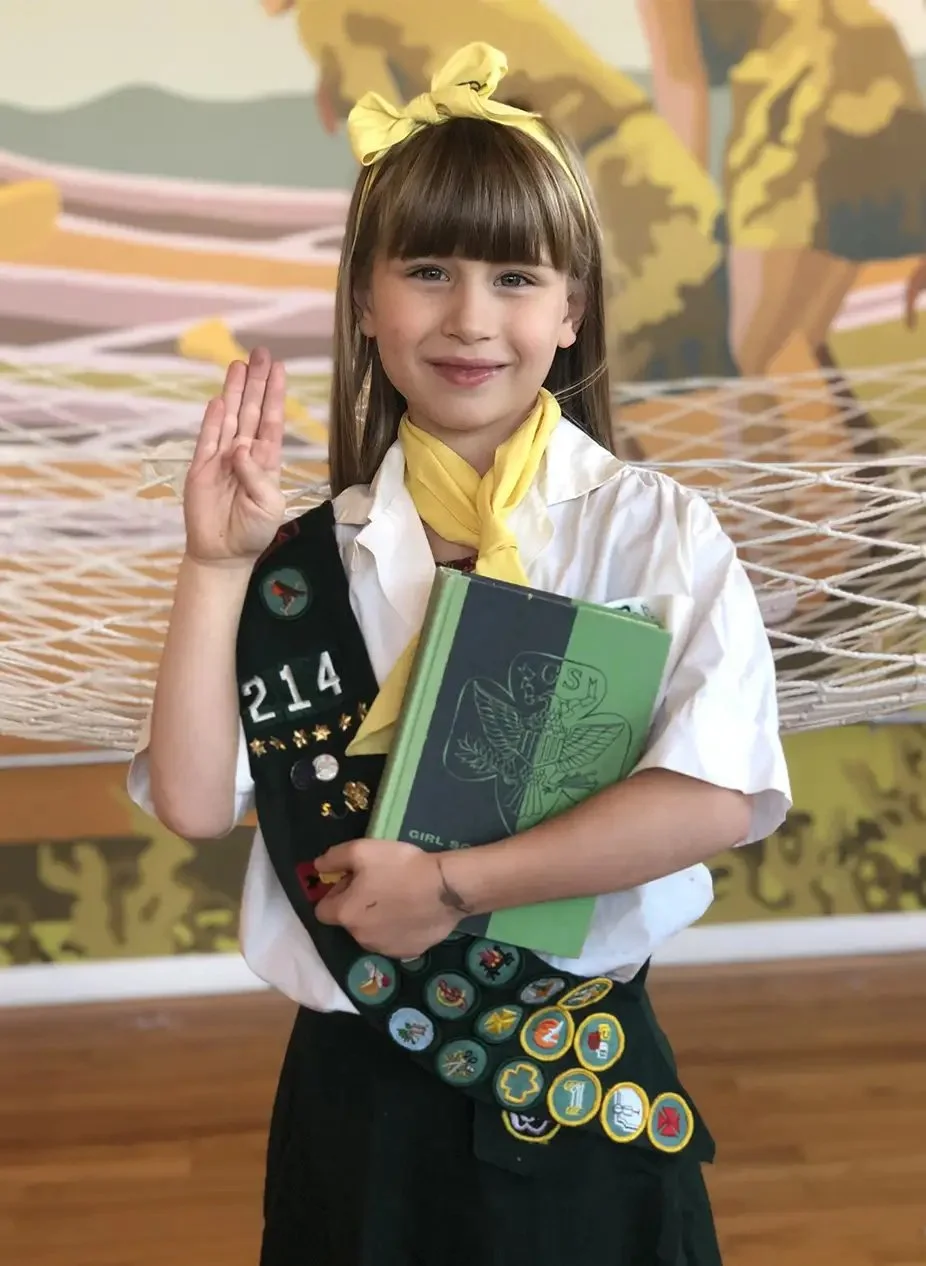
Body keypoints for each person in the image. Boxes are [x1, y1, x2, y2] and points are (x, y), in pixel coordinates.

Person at [128, 43, 791, 1266]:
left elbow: (711, 797)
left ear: (572, 305)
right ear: (365, 301)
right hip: (355, 1100)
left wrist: (447, 888)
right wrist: (215, 569)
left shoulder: (650, 531)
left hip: (574, 1070)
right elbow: (186, 798)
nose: (470, 318)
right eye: (426, 269)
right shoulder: (292, 562)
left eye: (514, 274)